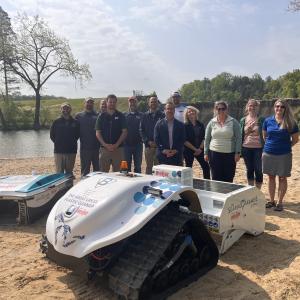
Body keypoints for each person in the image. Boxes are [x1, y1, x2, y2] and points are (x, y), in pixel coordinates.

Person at [263, 99, 299, 211]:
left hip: (284, 154)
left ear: (285, 109)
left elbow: (295, 140)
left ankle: (280, 202)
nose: (279, 108)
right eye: (277, 106)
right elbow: (265, 137)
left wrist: (285, 147)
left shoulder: (291, 122)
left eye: (282, 107)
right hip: (268, 153)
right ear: (274, 108)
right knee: (271, 177)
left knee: (282, 178)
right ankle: (272, 201)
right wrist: (271, 146)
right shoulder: (267, 121)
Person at [204, 101, 242, 183]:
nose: (221, 110)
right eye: (218, 109)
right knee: (215, 177)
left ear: (227, 110)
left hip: (229, 154)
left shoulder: (233, 122)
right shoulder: (211, 122)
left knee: (229, 177)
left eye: (223, 108)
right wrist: (206, 153)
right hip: (214, 154)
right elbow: (207, 138)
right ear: (215, 110)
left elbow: (239, 138)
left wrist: (237, 153)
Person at [95, 94, 127, 172]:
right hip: (104, 149)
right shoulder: (101, 116)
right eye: (110, 102)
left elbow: (125, 132)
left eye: (114, 102)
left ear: (116, 103)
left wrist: (116, 144)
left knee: (119, 174)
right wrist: (105, 145)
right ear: (107, 102)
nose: (112, 103)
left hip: (118, 149)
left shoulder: (121, 116)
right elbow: (98, 133)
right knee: (103, 173)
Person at [240, 99, 265, 188]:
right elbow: (240, 134)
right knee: (249, 169)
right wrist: (248, 129)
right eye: (250, 105)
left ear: (257, 107)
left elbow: (266, 134)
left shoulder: (262, 119)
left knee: (258, 169)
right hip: (246, 147)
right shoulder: (243, 120)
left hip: (259, 148)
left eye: (254, 105)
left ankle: (258, 191)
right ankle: (250, 189)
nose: (252, 107)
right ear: (247, 107)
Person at [50, 102, 79, 175]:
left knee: (69, 173)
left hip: (71, 151)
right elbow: (52, 135)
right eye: (63, 108)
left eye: (67, 108)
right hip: (59, 152)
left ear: (70, 110)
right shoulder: (56, 122)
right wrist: (59, 143)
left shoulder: (75, 122)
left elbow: (77, 135)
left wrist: (70, 142)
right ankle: (61, 186)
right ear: (61, 110)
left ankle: (69, 186)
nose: (65, 110)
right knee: (59, 172)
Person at [154, 101, 186, 166]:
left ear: (174, 110)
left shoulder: (180, 125)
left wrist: (176, 150)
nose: (169, 110)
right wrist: (164, 150)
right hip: (162, 156)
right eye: (168, 109)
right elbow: (156, 139)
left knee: (177, 175)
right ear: (164, 110)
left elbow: (182, 139)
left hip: (177, 156)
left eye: (171, 109)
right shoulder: (159, 124)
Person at [183, 106, 210, 179]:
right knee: (188, 169)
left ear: (196, 112)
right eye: (189, 112)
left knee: (206, 167)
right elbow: (184, 141)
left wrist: (200, 149)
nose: (191, 112)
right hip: (188, 150)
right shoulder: (184, 126)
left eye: (192, 111)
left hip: (200, 149)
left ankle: (207, 184)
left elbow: (204, 137)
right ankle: (188, 185)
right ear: (186, 114)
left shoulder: (200, 124)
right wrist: (195, 149)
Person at [75, 97, 100, 176]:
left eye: (91, 102)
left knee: (98, 171)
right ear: (84, 103)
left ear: (93, 104)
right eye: (87, 102)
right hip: (85, 149)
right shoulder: (78, 116)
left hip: (97, 148)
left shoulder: (98, 115)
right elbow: (74, 131)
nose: (89, 104)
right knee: (85, 171)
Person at [140, 96, 165, 174]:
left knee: (159, 168)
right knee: (149, 167)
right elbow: (141, 130)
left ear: (157, 103)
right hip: (148, 146)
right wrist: (147, 141)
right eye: (151, 102)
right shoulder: (144, 116)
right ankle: (148, 184)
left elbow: (165, 130)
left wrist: (158, 142)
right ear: (149, 104)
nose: (153, 103)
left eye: (155, 101)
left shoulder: (162, 115)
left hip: (159, 147)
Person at [124, 96, 143, 173]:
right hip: (126, 145)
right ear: (128, 103)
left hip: (138, 145)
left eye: (134, 102)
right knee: (126, 167)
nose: (132, 103)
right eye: (130, 102)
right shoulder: (123, 115)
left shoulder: (142, 115)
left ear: (136, 103)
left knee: (138, 167)